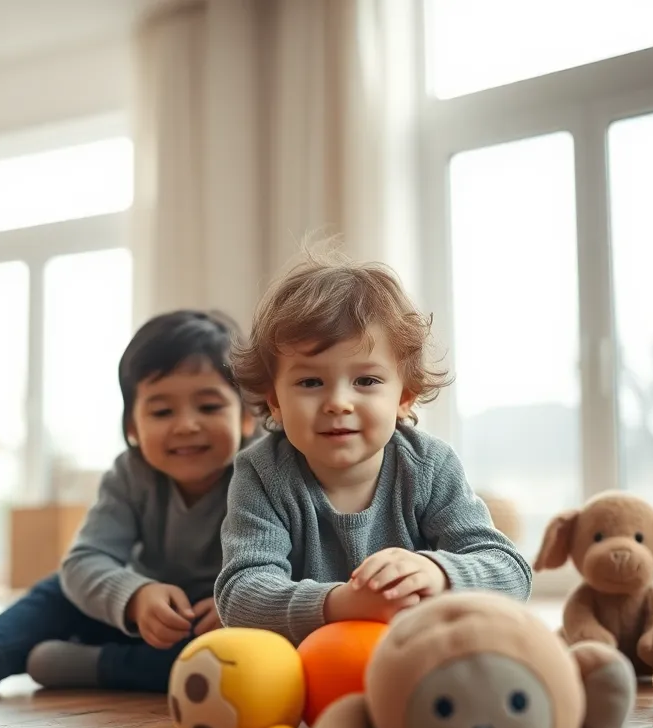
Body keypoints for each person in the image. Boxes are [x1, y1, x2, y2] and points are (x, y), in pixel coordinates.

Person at [0, 310, 258, 694]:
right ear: (133, 429)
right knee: (59, 590)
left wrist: (244, 607)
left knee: (238, 659)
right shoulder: (131, 474)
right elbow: (84, 562)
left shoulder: (264, 472)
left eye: (209, 407)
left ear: (246, 418)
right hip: (141, 618)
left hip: (224, 629)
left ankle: (95, 666)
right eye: (162, 411)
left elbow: (299, 565)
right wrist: (135, 597)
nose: (186, 424)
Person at [213, 246, 532, 645]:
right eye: (311, 382)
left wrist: (438, 573)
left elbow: (511, 572)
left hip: (417, 659)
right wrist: (341, 603)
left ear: (405, 398)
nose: (338, 403)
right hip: (314, 667)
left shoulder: (429, 465)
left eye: (366, 381)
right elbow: (240, 595)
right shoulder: (263, 472)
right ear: (274, 400)